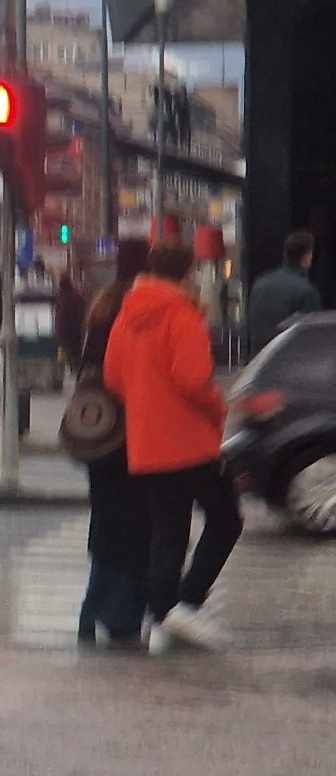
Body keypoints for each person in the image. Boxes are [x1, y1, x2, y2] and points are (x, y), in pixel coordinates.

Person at [103, 239, 242, 651]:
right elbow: (194, 378)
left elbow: (113, 377)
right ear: (186, 273)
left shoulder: (128, 314)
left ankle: (163, 612)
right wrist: (218, 406)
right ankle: (183, 604)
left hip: (147, 443)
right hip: (189, 442)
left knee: (168, 532)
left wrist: (146, 401)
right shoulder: (182, 313)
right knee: (225, 520)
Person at [76, 241, 151, 649]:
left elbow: (86, 367)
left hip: (98, 431)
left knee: (105, 522)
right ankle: (120, 616)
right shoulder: (137, 311)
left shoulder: (102, 306)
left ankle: (91, 610)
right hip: (129, 433)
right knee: (134, 527)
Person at [248, 230, 320, 354]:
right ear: (307, 256)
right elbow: (313, 337)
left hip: (259, 360)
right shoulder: (306, 291)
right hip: (290, 360)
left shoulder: (260, 283)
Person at [54, 272, 87, 373]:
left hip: (64, 334)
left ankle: (69, 369)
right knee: (76, 354)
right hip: (76, 332)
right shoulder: (77, 296)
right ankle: (76, 370)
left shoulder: (60, 298)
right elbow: (83, 312)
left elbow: (58, 317)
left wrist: (58, 333)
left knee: (66, 355)